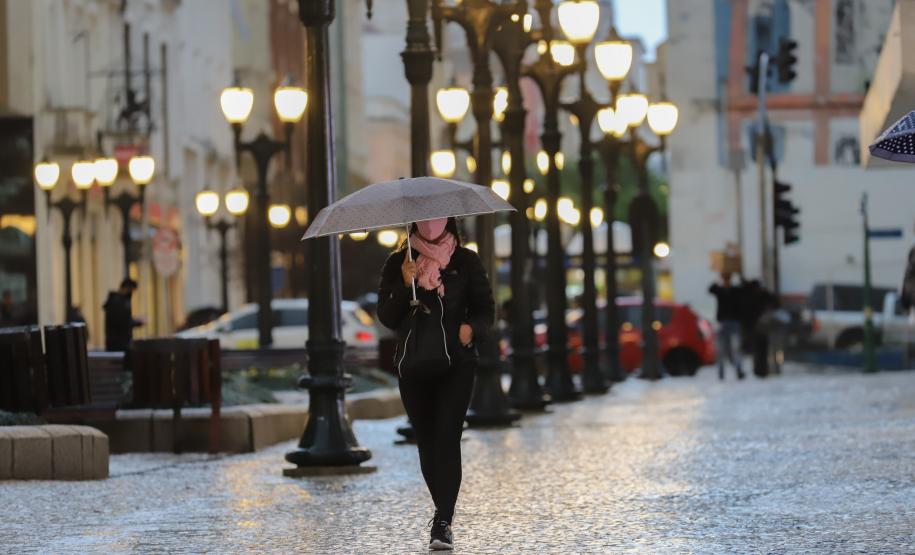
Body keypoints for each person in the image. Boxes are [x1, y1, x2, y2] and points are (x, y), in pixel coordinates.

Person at [376, 217, 494, 551]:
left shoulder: (466, 261)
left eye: (437, 218)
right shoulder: (399, 261)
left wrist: (471, 329)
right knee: (427, 440)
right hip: (414, 364)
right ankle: (442, 513)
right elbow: (386, 316)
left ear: (449, 221)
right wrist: (403, 283)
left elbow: (487, 309)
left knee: (447, 434)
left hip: (457, 363)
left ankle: (442, 521)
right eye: (424, 220)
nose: (430, 224)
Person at [709, 272, 745, 380]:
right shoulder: (720, 291)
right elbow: (711, 289)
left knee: (735, 348)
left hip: (734, 323)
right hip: (723, 322)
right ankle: (721, 371)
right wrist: (717, 279)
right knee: (721, 349)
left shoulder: (735, 291)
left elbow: (744, 289)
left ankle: (738, 369)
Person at [103, 278, 143, 352]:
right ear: (127, 288)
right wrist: (137, 322)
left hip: (118, 341)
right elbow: (122, 321)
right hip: (118, 343)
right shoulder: (118, 302)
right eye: (131, 290)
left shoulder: (119, 301)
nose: (132, 293)